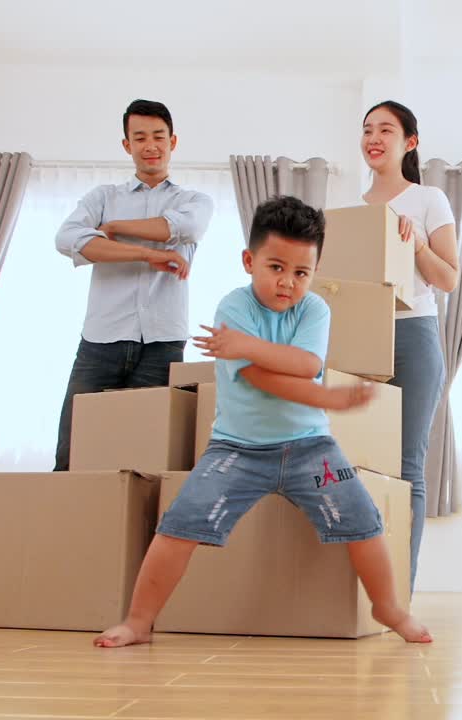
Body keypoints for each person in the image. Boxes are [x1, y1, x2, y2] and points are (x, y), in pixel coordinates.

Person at [94, 196, 431, 648]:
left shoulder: (315, 311)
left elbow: (305, 361)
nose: (287, 282)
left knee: (364, 517)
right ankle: (138, 620)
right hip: (236, 449)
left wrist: (249, 348)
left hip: (311, 446)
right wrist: (323, 393)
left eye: (301, 273)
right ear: (249, 261)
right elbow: (262, 378)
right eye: (275, 267)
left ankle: (388, 606)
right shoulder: (233, 309)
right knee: (180, 522)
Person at [52, 99, 213, 471]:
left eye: (158, 136)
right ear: (127, 145)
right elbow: (67, 239)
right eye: (140, 137)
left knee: (149, 457)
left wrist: (115, 227)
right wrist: (148, 255)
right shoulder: (102, 197)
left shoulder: (192, 200)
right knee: (72, 453)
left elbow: (184, 228)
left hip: (161, 344)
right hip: (101, 340)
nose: (150, 145)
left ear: (173, 141)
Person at [359, 100, 459, 589]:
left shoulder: (427, 199)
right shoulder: (354, 209)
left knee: (405, 466)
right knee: (355, 460)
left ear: (409, 142)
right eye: (367, 130)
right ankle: (360, 587)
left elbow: (449, 278)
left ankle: (402, 589)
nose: (374, 138)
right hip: (360, 338)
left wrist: (415, 244)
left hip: (414, 335)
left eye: (386, 130)